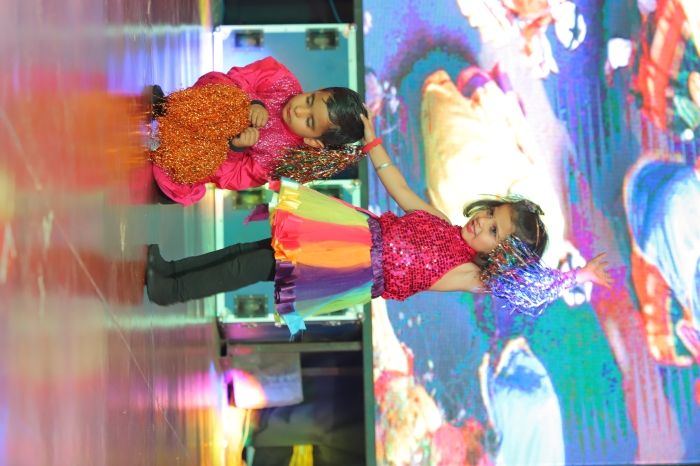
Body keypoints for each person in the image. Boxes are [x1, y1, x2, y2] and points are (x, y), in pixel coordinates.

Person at [145, 108, 612, 335]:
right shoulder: (441, 222)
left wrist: (575, 277)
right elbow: (400, 188)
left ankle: (171, 291)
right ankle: (172, 273)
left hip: (350, 267)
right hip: (348, 233)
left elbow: (527, 284)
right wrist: (372, 143)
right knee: (252, 253)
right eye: (491, 214)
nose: (483, 222)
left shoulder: (473, 274)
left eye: (494, 232)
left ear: (502, 256)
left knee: (254, 266)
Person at [151, 56, 368, 206]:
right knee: (229, 96)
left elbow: (233, 177)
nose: (299, 110)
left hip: (200, 149)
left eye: (309, 121)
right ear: (318, 90)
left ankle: (170, 152)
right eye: (310, 100)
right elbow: (239, 75)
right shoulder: (282, 80)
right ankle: (169, 107)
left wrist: (236, 147)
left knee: (182, 173)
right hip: (200, 111)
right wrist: (252, 101)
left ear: (313, 141)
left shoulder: (281, 158)